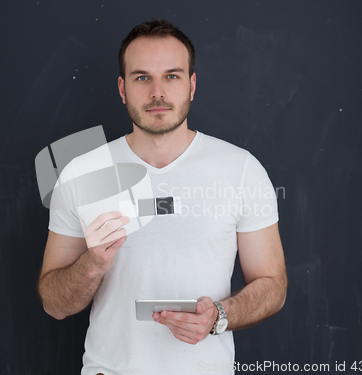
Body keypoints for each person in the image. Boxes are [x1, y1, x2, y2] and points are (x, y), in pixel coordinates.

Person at [37, 18, 287, 375]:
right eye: (142, 78)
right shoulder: (82, 173)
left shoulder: (241, 170)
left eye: (171, 76)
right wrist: (92, 265)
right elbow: (54, 304)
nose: (157, 92)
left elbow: (273, 285)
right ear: (122, 88)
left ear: (191, 85)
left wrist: (219, 317)